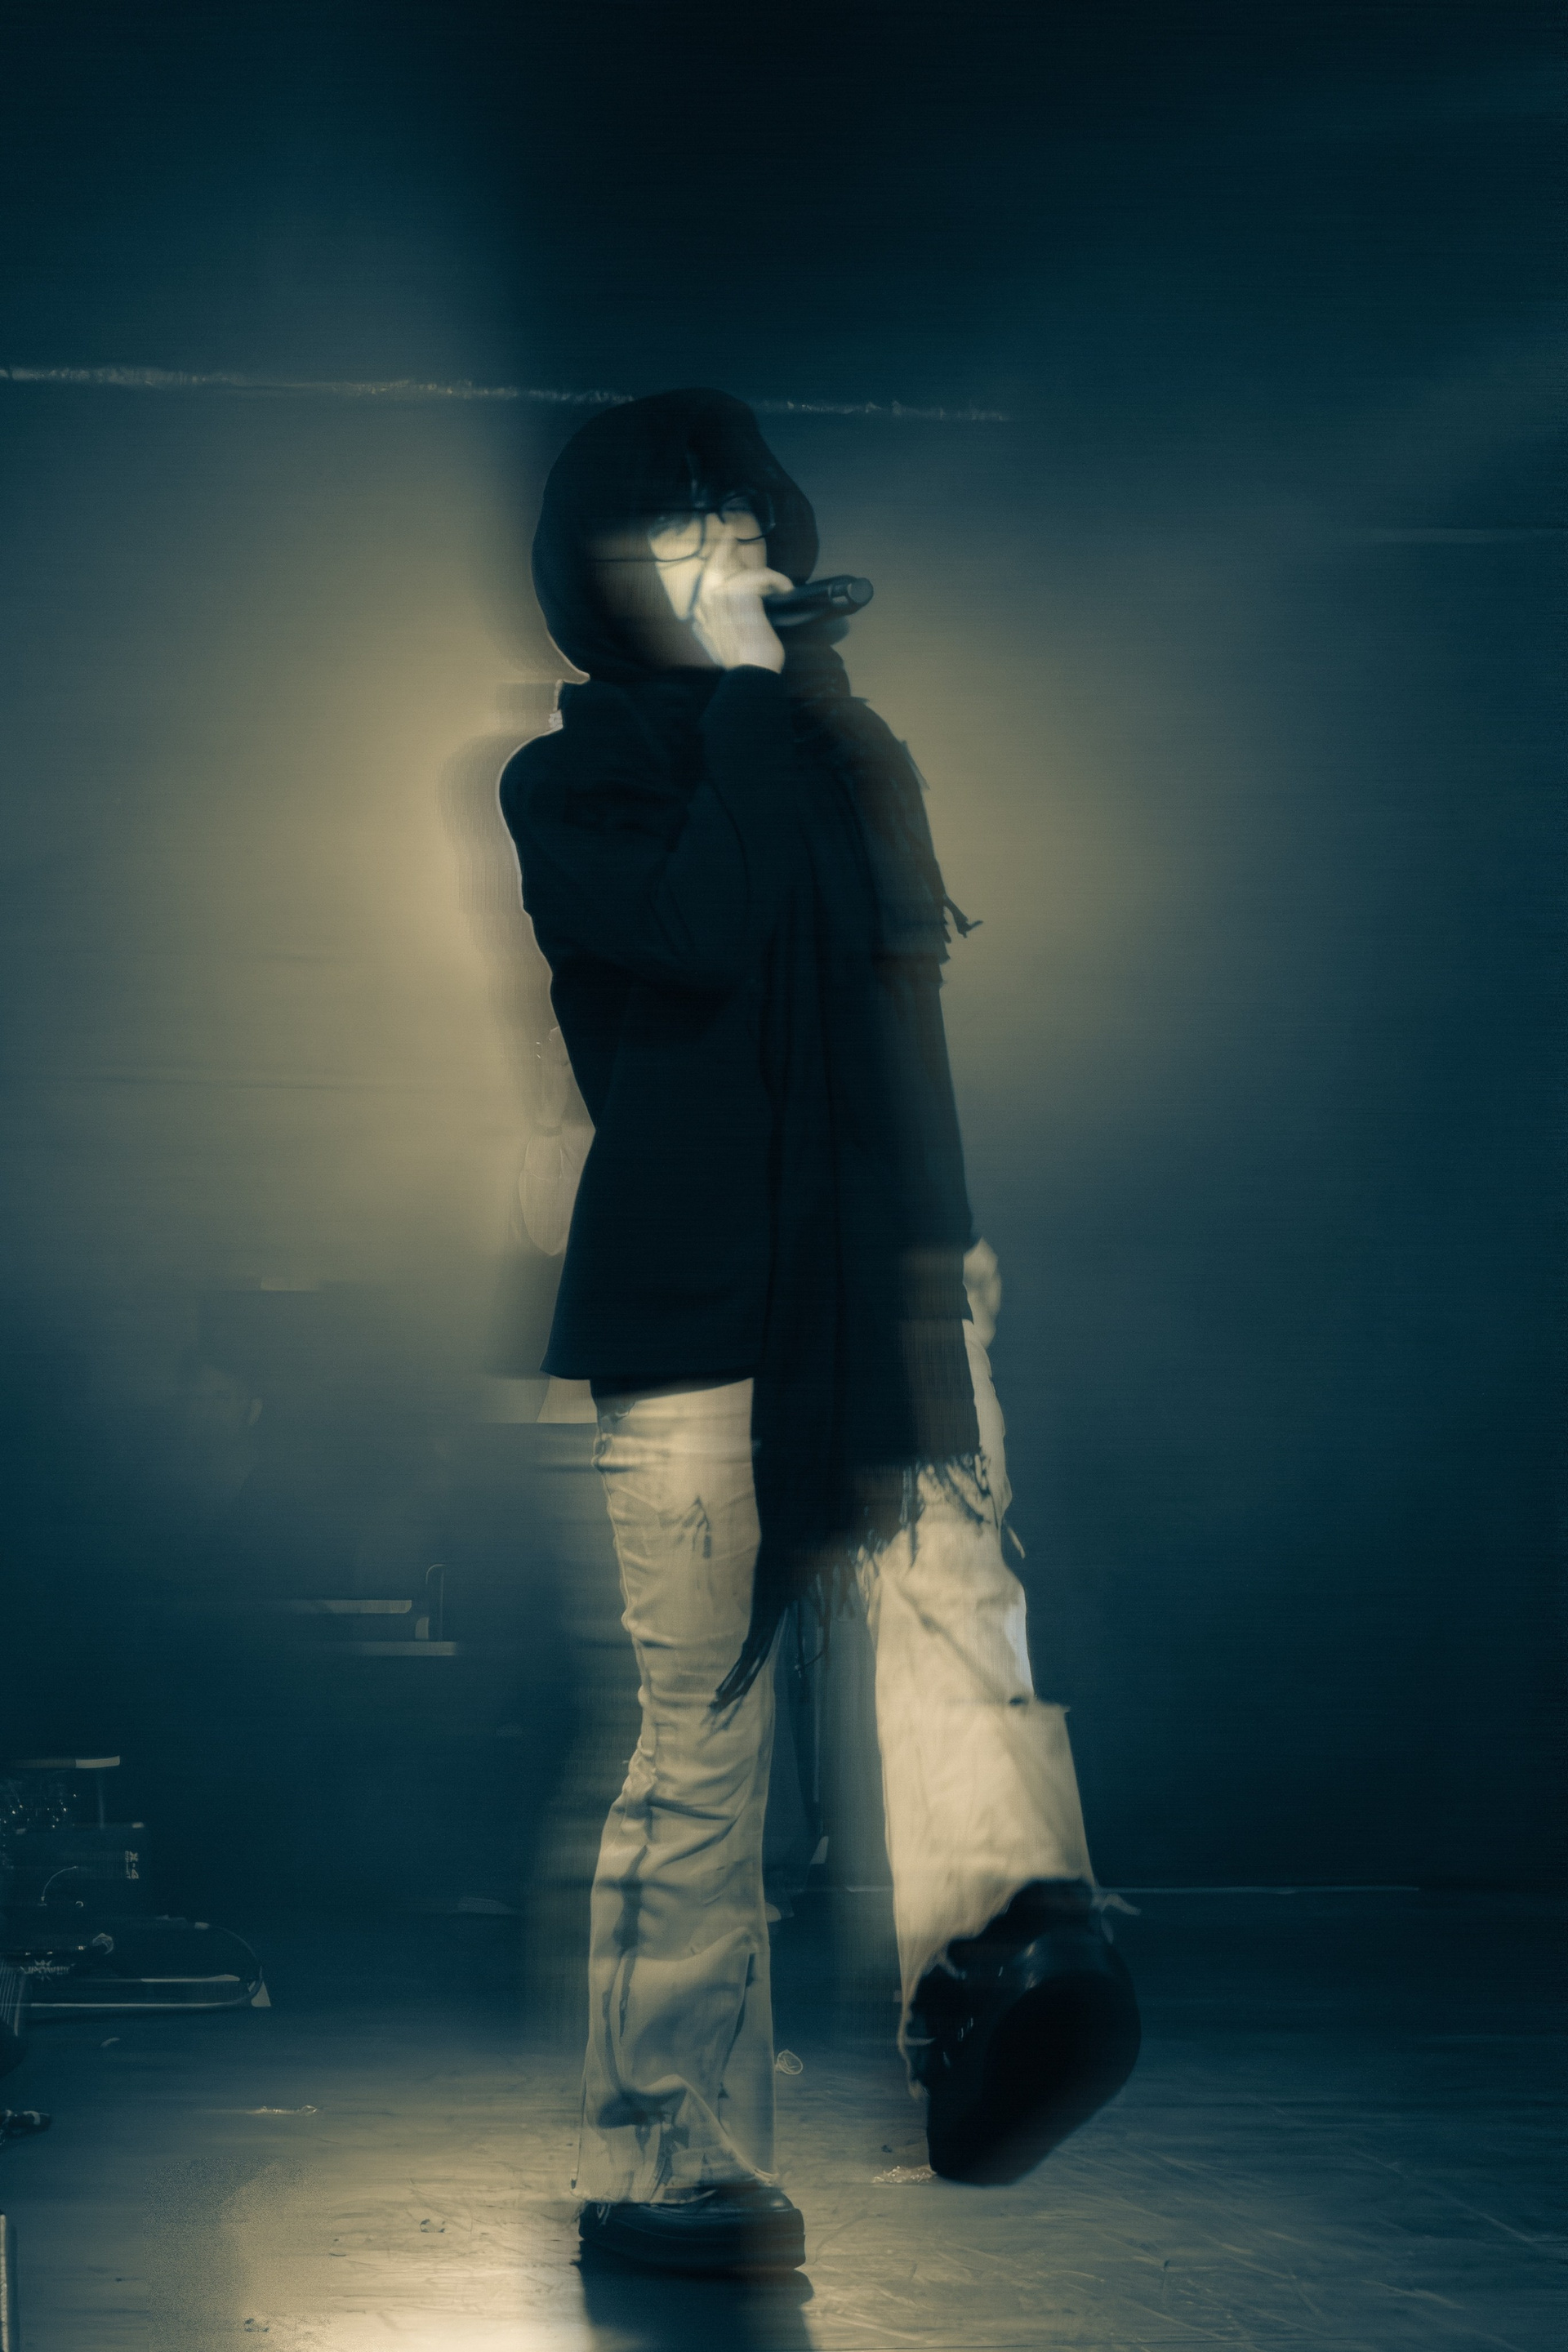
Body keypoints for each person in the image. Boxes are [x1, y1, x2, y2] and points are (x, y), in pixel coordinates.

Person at [500, 389, 1138, 2278]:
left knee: (961, 1620)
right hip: (698, 1310)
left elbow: (897, 1011)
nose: (728, 557)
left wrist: (951, 1258)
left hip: (880, 1273)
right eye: (680, 531)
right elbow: (699, 934)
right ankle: (670, 2158)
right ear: (604, 570)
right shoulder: (569, 783)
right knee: (704, 1745)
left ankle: (1008, 1966)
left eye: (741, 524)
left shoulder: (844, 751)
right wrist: (752, 704)